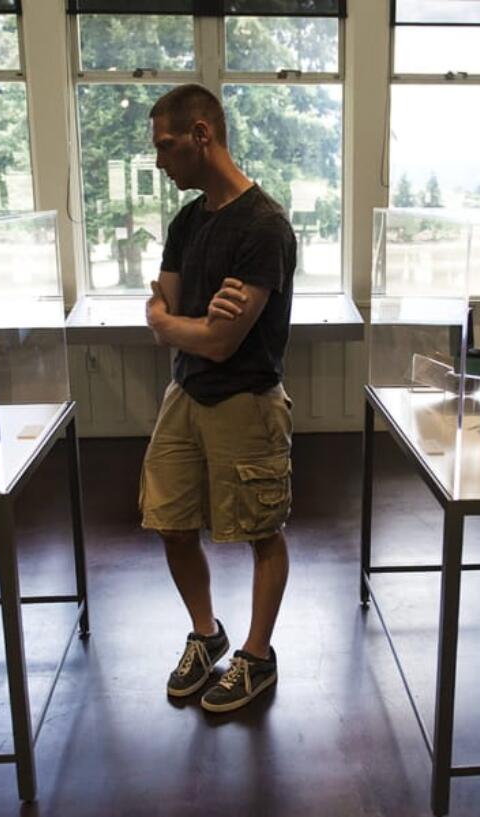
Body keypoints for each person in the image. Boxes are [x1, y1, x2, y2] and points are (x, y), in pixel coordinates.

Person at [141, 84, 296, 713]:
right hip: (186, 394)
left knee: (262, 530)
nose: (159, 161)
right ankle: (208, 635)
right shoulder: (187, 220)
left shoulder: (264, 226)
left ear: (202, 135)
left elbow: (224, 341)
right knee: (171, 524)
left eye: (166, 145)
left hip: (248, 401)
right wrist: (179, 324)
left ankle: (257, 657)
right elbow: (173, 314)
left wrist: (174, 324)